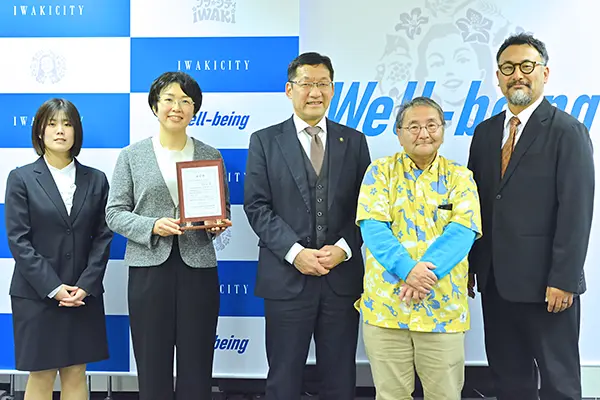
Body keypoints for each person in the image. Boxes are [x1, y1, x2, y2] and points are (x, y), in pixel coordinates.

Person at [467, 33, 595, 399]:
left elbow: (577, 210)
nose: (517, 75)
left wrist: (564, 279)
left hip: (548, 287)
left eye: (527, 66)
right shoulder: (485, 133)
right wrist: (472, 264)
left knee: (559, 383)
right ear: (498, 77)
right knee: (509, 381)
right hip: (495, 283)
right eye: (508, 68)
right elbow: (474, 204)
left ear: (545, 73)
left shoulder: (567, 131)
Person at [243, 52, 371, 400]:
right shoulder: (264, 141)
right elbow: (256, 207)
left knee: (340, 379)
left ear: (333, 89)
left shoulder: (354, 141)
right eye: (306, 84)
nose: (315, 92)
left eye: (323, 84)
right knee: (283, 379)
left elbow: (367, 208)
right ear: (289, 90)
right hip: (285, 280)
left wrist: (344, 249)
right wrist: (295, 253)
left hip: (340, 281)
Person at [105, 71, 231, 400]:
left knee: (197, 363)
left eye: (186, 101)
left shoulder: (210, 154)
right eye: (169, 99)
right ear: (154, 106)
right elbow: (114, 212)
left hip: (198, 268)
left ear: (194, 109)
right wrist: (151, 225)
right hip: (149, 268)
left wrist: (217, 223)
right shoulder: (132, 156)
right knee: (152, 363)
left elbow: (223, 208)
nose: (177, 107)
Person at [356, 96, 482, 400]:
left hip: (442, 311)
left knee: (445, 395)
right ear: (399, 133)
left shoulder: (460, 177)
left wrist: (420, 276)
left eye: (431, 125)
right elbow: (373, 228)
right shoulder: (379, 172)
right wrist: (407, 270)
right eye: (413, 126)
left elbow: (463, 231)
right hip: (387, 310)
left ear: (443, 130)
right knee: (390, 395)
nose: (423, 133)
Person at [4, 98, 112, 400]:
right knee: (41, 373)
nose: (60, 130)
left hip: (82, 293)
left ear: (77, 131)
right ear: (40, 131)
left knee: (76, 371)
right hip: (36, 294)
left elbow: (103, 237)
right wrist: (53, 287)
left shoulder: (96, 179)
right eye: (52, 124)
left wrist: (86, 285)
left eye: (67, 124)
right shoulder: (21, 178)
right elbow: (18, 240)